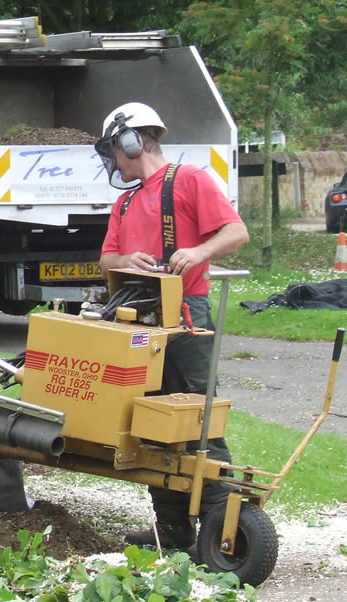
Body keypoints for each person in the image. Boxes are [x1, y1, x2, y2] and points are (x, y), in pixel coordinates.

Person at [95, 102, 249, 549]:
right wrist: (124, 260)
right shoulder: (123, 204)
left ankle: (225, 529)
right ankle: (172, 530)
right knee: (150, 424)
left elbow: (236, 232)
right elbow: (106, 258)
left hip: (186, 317)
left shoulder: (190, 180)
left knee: (200, 422)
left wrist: (199, 253)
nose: (113, 162)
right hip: (138, 323)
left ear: (132, 141)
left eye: (114, 150)